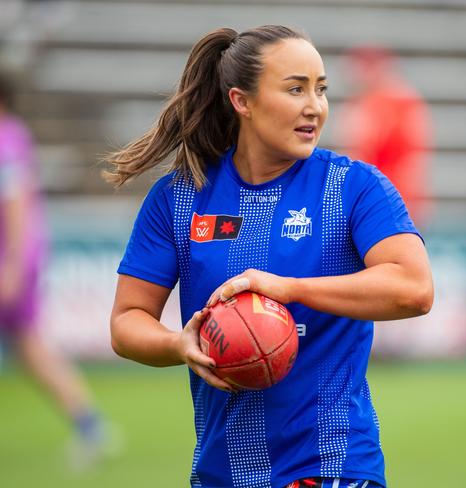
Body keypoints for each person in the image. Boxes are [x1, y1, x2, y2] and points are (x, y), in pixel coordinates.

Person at [106, 25, 433, 488]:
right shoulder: (178, 199)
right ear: (242, 101)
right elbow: (127, 320)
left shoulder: (355, 187)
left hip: (333, 469)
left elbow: (414, 289)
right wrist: (178, 345)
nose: (314, 106)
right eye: (295, 88)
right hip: (219, 475)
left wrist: (289, 289)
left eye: (321, 90)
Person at [0, 73, 109, 468]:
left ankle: (91, 425)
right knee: (30, 347)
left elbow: (14, 205)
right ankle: (90, 424)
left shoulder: (6, 139)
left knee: (31, 346)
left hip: (11, 262)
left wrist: (11, 266)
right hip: (17, 258)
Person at [336, 46, 434, 228]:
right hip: (387, 196)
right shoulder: (394, 101)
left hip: (386, 197)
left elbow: (362, 152)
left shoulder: (394, 103)